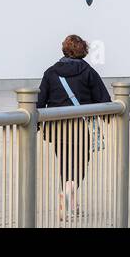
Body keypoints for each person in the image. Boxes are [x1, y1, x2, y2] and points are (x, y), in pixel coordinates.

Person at [36, 35, 111, 216]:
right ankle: (68, 194)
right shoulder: (88, 72)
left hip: (57, 127)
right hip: (81, 126)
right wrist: (110, 116)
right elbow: (103, 98)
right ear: (83, 50)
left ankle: (71, 205)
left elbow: (39, 101)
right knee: (79, 165)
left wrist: (35, 125)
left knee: (64, 163)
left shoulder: (51, 72)